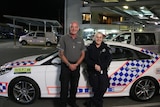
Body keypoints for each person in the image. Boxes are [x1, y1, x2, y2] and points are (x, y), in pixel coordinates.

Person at [56, 21, 86, 107]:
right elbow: (60, 54)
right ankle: (63, 104)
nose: (74, 29)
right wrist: (69, 64)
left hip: (76, 66)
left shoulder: (80, 39)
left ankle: (72, 102)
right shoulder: (63, 38)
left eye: (75, 27)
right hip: (66, 66)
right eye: (72, 27)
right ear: (69, 28)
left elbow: (83, 54)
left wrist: (76, 65)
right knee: (64, 87)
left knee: (74, 86)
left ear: (78, 29)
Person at [85, 32, 112, 107]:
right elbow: (86, 59)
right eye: (97, 37)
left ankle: (92, 102)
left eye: (100, 37)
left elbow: (109, 59)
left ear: (102, 38)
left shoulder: (106, 48)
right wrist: (94, 65)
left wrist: (101, 67)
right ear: (94, 38)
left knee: (103, 87)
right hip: (92, 71)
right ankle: (98, 104)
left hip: (102, 70)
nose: (98, 39)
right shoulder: (89, 48)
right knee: (96, 88)